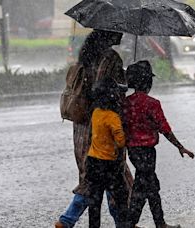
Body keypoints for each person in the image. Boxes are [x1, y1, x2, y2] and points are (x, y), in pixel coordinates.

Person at [55, 30, 133, 228]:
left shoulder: (85, 56)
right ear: (109, 34)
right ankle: (68, 220)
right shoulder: (110, 58)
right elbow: (111, 90)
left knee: (91, 174)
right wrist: (127, 81)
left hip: (82, 126)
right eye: (118, 31)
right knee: (115, 175)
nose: (122, 35)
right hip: (103, 125)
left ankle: (121, 222)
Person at [124, 61, 195, 228]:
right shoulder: (152, 103)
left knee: (149, 185)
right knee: (144, 187)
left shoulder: (125, 103)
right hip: (148, 152)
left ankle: (155, 222)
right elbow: (165, 128)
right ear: (148, 82)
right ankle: (134, 223)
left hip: (133, 151)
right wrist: (179, 146)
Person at [86, 78, 130, 228]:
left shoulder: (96, 112)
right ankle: (123, 225)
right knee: (121, 197)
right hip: (109, 165)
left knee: (95, 202)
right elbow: (121, 142)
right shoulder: (113, 117)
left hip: (93, 162)